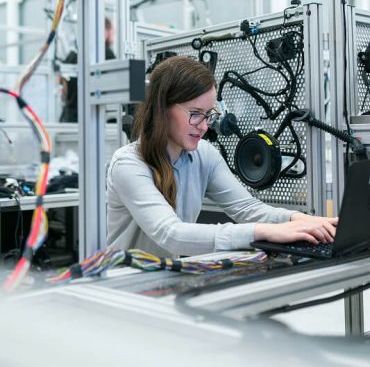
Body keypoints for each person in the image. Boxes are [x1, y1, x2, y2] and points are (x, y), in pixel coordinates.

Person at [106, 56, 338, 257]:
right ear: (162, 109)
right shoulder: (128, 164)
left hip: (166, 280)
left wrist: (300, 220)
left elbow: (248, 209)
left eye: (208, 115)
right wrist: (264, 232)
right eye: (195, 114)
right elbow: (171, 234)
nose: (205, 126)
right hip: (126, 288)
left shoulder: (203, 155)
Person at [59, 17, 116, 122]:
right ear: (105, 31)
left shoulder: (71, 55)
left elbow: (63, 92)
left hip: (70, 119)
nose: (113, 36)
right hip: (93, 118)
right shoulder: (106, 53)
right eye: (112, 31)